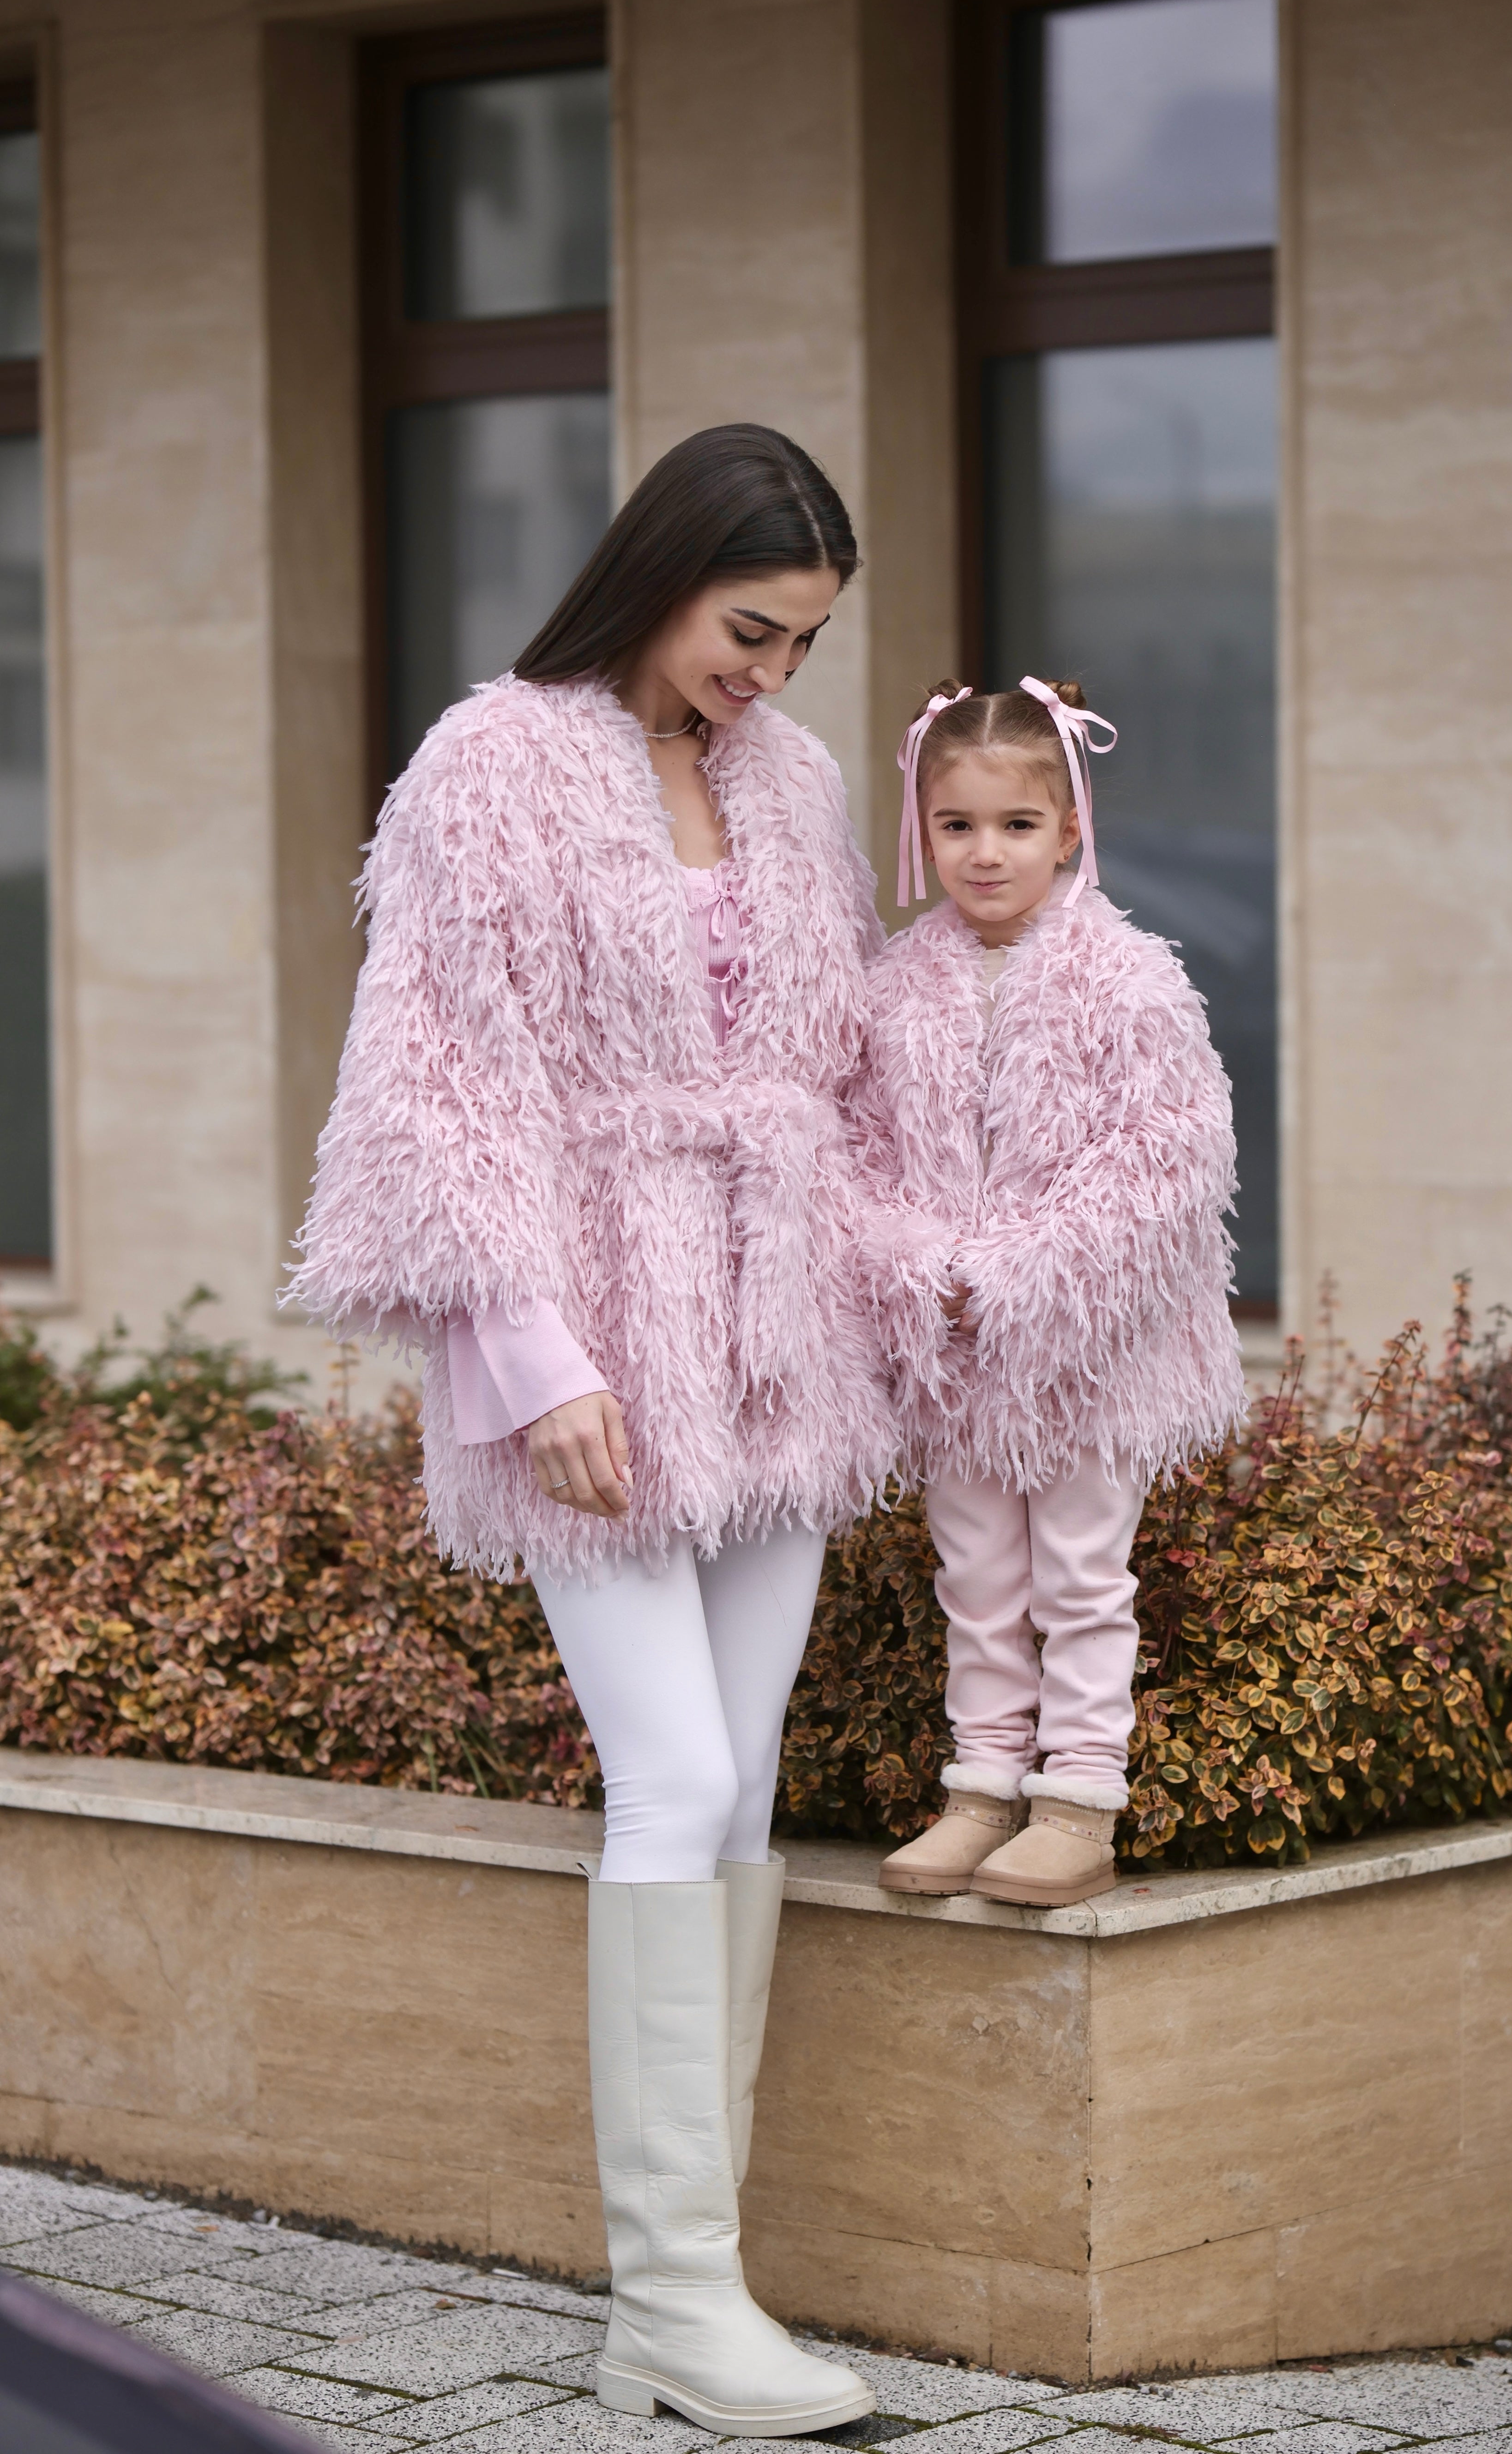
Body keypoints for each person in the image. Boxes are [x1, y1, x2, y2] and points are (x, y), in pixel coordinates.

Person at [285, 426, 892, 2437]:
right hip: (597, 1340)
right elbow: (435, 1083)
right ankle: (676, 2301)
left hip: (780, 1339)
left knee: (746, 1788)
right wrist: (538, 1357)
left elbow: (835, 1053)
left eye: (801, 646)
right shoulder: (490, 762)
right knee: (672, 1771)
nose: (770, 676)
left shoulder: (789, 780)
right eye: (752, 629)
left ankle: (696, 2298)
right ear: (664, 568)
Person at [849, 678, 1243, 1908]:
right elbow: (854, 1156)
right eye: (958, 824)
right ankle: (979, 1787)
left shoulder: (1127, 979)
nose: (987, 852)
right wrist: (924, 1269)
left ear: (1069, 828)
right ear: (922, 828)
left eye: (1017, 825)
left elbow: (1169, 1161)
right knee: (974, 1575)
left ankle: (1077, 1799)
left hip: (1085, 1353)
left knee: (1079, 1574)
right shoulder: (892, 988)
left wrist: (1023, 1272)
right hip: (956, 1354)